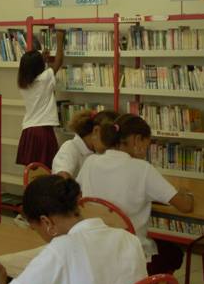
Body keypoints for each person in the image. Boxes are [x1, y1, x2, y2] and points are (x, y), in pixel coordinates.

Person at [0, 175, 147, 284]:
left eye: (35, 229)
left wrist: (1, 273)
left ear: (46, 222)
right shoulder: (129, 239)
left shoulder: (62, 249)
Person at [76, 113, 194, 275]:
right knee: (174, 253)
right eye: (147, 145)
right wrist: (187, 194)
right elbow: (185, 206)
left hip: (95, 249)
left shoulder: (90, 162)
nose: (146, 151)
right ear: (137, 140)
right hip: (130, 255)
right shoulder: (143, 169)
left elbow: (79, 196)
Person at [16, 29, 65, 169]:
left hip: (28, 131)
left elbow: (33, 69)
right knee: (46, 168)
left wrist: (41, 59)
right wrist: (60, 40)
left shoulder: (23, 83)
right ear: (39, 66)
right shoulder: (45, 79)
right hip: (43, 130)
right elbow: (59, 61)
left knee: (32, 170)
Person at [51, 109, 119, 179]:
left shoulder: (97, 150)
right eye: (109, 138)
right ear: (96, 131)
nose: (113, 146)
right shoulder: (70, 147)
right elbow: (61, 177)